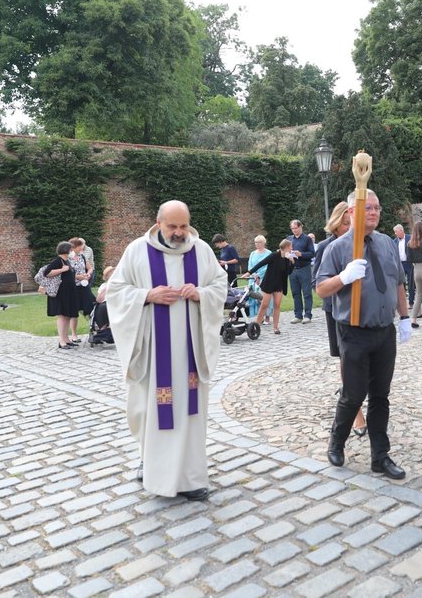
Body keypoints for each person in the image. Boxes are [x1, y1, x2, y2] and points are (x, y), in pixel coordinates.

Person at [107, 200, 227, 500]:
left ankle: (191, 477)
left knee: (189, 411)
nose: (178, 233)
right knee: (149, 409)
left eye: (183, 226)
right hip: (152, 351)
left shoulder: (201, 251)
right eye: (172, 226)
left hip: (190, 352)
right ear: (158, 223)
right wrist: (147, 295)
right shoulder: (137, 250)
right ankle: (150, 464)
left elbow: (220, 284)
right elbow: (116, 291)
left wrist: (199, 293)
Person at [316, 190, 411, 481]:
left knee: (381, 396)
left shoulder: (386, 243)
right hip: (353, 331)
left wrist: (405, 317)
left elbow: (397, 283)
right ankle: (337, 440)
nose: (373, 212)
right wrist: (343, 277)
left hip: (384, 331)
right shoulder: (338, 247)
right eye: (367, 207)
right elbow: (321, 289)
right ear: (351, 213)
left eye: (377, 208)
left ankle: (380, 457)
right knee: (354, 393)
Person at [313, 202, 367, 437]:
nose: (350, 228)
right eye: (346, 224)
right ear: (336, 224)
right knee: (347, 359)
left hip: (365, 310)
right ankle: (355, 411)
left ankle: (357, 394)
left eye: (353, 223)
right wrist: (343, 278)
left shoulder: (365, 244)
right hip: (337, 311)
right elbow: (318, 284)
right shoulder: (327, 246)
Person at [247, 240, 296, 335]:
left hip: (279, 284)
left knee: (277, 305)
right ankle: (256, 326)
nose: (292, 249)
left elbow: (288, 272)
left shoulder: (287, 258)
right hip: (269, 283)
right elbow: (261, 263)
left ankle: (275, 327)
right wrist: (249, 272)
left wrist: (292, 262)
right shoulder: (274, 255)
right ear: (286, 247)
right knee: (264, 304)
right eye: (291, 247)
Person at [44, 241, 80, 349]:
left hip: (69, 292)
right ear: (65, 250)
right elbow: (47, 273)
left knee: (68, 316)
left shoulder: (67, 261)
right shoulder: (58, 261)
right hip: (61, 293)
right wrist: (61, 270)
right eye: (70, 250)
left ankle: (66, 339)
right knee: (62, 316)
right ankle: (61, 340)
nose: (72, 252)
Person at [286, 219, 316, 324]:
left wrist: (301, 254)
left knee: (307, 293)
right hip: (292, 270)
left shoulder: (307, 239)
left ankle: (308, 315)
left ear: (300, 227)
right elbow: (284, 251)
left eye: (295, 228)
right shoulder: (289, 239)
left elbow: (312, 254)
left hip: (304, 269)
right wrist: (286, 254)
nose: (294, 230)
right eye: (292, 228)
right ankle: (298, 315)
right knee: (295, 293)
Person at [68, 237, 94, 342]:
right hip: (73, 287)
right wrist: (76, 276)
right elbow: (66, 273)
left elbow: (90, 268)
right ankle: (74, 334)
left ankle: (94, 329)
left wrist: (88, 274)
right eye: (79, 246)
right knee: (74, 311)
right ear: (73, 247)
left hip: (84, 286)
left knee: (90, 306)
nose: (81, 248)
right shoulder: (68, 258)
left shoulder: (82, 256)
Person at [247, 235, 273, 322]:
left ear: (263, 243)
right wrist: (254, 275)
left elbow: (268, 266)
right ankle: (259, 316)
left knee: (264, 297)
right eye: (256, 242)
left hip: (265, 278)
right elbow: (250, 266)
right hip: (253, 279)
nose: (257, 244)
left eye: (259, 242)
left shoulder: (268, 253)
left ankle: (267, 316)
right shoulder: (252, 254)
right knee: (254, 297)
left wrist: (259, 275)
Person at [393, 224, 415, 307]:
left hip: (409, 263)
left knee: (411, 284)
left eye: (396, 231)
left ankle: (411, 302)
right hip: (400, 264)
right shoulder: (394, 241)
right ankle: (402, 303)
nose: (395, 233)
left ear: (401, 230)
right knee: (401, 284)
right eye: (394, 232)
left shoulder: (410, 238)